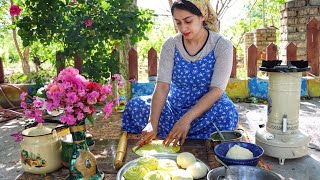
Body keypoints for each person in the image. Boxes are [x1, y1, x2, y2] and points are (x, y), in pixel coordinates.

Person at [122, 0, 238, 147]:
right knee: (135, 106)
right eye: (178, 22)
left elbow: (216, 91)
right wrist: (152, 123)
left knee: (227, 113)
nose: (183, 28)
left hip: (207, 109)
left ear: (202, 16)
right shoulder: (170, 45)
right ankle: (176, 130)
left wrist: (186, 120)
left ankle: (181, 130)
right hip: (174, 107)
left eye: (188, 21)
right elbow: (162, 87)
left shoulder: (222, 45)